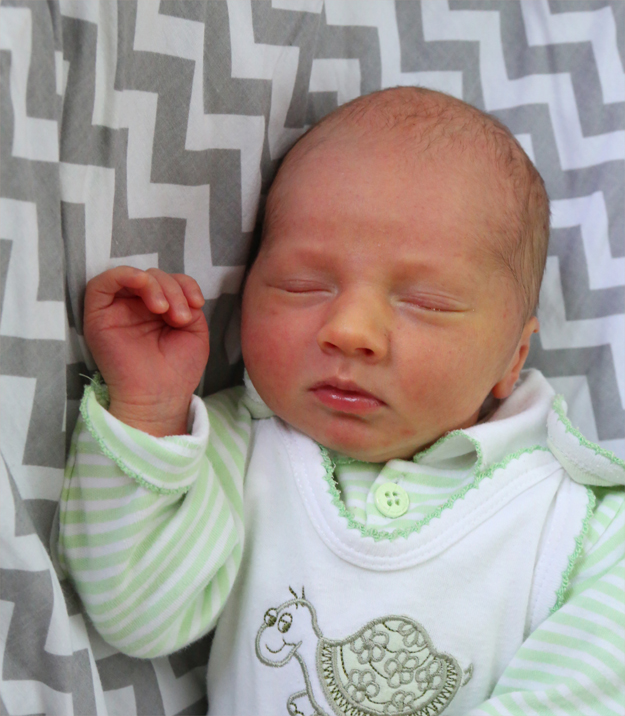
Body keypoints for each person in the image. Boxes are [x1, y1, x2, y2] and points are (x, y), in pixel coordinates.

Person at [57, 88, 624, 715]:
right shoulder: (238, 450)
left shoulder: (583, 525)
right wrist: (149, 410)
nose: (350, 330)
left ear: (512, 358)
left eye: (426, 303)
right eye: (303, 286)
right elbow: (135, 611)